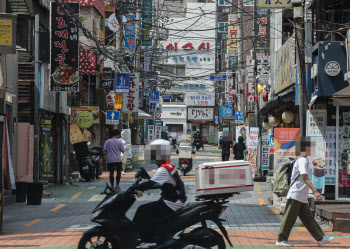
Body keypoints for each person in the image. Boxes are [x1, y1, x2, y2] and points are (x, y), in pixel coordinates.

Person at [276, 138, 334, 247]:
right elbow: (305, 177)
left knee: (308, 218)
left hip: (301, 196)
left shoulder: (304, 160)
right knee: (289, 218)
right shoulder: (302, 160)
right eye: (309, 147)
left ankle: (321, 238)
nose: (310, 149)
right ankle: (281, 239)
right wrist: (315, 191)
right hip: (295, 194)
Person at [131, 139, 187, 247]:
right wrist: (145, 180)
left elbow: (152, 184)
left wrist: (134, 188)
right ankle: (156, 236)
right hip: (174, 199)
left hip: (172, 202)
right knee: (151, 211)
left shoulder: (163, 169)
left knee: (142, 210)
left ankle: (149, 240)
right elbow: (158, 183)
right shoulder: (167, 165)